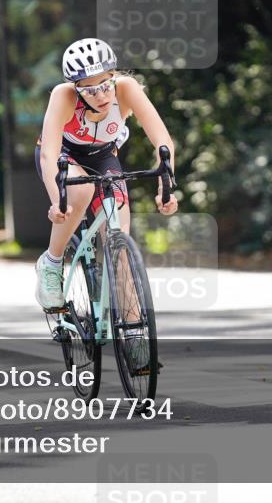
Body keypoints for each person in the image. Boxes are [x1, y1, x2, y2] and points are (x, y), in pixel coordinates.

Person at [34, 38, 178, 363]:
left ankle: (134, 336)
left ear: (114, 74)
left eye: (105, 84)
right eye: (89, 89)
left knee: (120, 245)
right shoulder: (63, 96)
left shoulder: (126, 88)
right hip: (63, 157)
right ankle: (52, 263)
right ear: (76, 87)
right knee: (80, 192)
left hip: (103, 157)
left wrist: (166, 186)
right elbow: (48, 153)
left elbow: (162, 141)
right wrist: (57, 199)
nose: (101, 94)